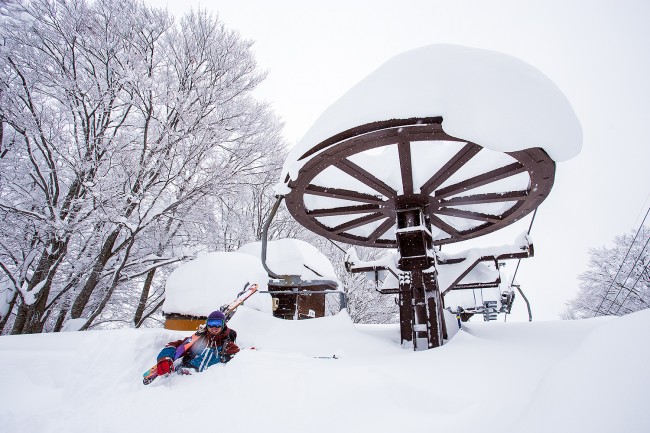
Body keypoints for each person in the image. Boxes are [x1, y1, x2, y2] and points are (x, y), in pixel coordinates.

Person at [156, 310, 240, 376]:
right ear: (207, 324)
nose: (214, 327)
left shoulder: (228, 345)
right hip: (181, 378)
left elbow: (242, 357)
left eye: (218, 324)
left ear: (223, 325)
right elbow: (174, 345)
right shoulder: (197, 339)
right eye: (211, 323)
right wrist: (164, 357)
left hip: (203, 385)